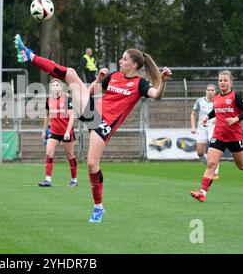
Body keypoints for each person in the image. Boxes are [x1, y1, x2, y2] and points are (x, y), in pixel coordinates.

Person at [14, 34, 172, 222]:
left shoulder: (140, 84)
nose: (120, 61)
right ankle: (29, 56)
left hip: (104, 125)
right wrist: (98, 80)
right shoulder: (113, 76)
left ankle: (98, 207)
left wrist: (163, 81)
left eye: (124, 59)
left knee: (91, 164)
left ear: (135, 65)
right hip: (93, 113)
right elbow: (90, 91)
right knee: (71, 73)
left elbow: (157, 95)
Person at [190, 70, 243, 202]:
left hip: (235, 137)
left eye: (225, 80)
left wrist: (236, 119)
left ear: (230, 82)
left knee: (241, 165)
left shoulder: (235, 96)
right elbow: (216, 110)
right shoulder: (216, 98)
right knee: (211, 163)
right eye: (220, 80)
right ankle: (202, 193)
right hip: (219, 135)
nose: (222, 83)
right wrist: (207, 116)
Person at [39, 78, 78, 188]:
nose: (55, 87)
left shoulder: (66, 99)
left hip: (66, 131)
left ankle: (74, 180)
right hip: (54, 131)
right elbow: (47, 116)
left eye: (57, 85)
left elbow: (72, 117)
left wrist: (67, 132)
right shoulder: (49, 100)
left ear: (61, 87)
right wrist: (43, 130)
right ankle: (47, 180)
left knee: (70, 155)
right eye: (53, 85)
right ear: (50, 88)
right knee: (48, 153)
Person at [191, 84, 219, 179]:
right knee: (200, 153)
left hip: (213, 127)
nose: (210, 92)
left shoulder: (218, 101)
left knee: (213, 147)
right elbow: (193, 114)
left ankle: (215, 169)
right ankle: (211, 166)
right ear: (206, 91)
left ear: (215, 92)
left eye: (212, 90)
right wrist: (193, 127)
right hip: (201, 128)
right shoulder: (200, 101)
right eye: (208, 90)